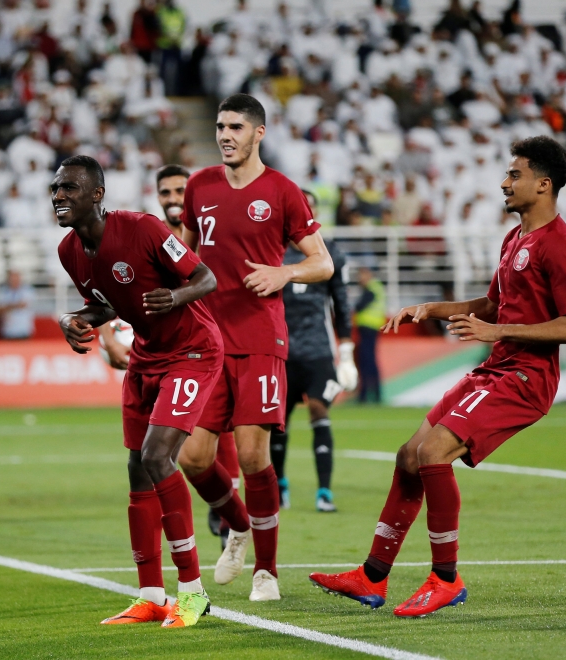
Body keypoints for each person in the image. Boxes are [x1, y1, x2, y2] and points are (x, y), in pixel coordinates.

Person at [309, 136, 566, 617]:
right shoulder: (515, 238)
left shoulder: (562, 245)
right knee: (408, 457)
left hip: (526, 377)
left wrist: (494, 330)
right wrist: (433, 309)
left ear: (544, 185)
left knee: (433, 453)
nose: (505, 183)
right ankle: (371, 577)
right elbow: (490, 304)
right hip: (495, 368)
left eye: (515, 174)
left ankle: (446, 578)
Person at [176, 93, 334, 601]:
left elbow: (323, 263)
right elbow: (184, 251)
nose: (225, 135)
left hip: (262, 340)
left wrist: (284, 271)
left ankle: (266, 570)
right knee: (194, 459)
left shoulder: (284, 192)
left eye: (236, 127)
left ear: (259, 133)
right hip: (208, 341)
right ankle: (238, 526)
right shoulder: (199, 186)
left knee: (250, 456)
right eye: (220, 126)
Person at [53, 154, 222, 628]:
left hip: (193, 350)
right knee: (136, 468)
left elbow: (204, 278)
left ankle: (192, 592)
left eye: (69, 188)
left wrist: (176, 297)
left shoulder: (144, 229)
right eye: (56, 189)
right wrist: (74, 321)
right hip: (147, 357)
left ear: (97, 196)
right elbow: (104, 305)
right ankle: (151, 594)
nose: (59, 196)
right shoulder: (69, 251)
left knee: (155, 457)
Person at [153, 163, 243, 548]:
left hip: (211, 341)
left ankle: (225, 514)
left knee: (217, 428)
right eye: (166, 193)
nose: (173, 199)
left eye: (179, 191)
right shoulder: (151, 235)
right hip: (165, 346)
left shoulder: (208, 234)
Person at [270, 189, 357, 513]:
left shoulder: (330, 252)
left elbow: (341, 305)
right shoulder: (273, 251)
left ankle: (324, 492)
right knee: (279, 422)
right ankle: (280, 488)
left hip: (318, 351)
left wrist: (346, 353)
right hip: (280, 352)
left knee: (320, 411)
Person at [354, 267, 385, 403]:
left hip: (368, 328)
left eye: (361, 275)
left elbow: (359, 306)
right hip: (370, 329)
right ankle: (374, 394)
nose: (359, 279)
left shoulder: (372, 289)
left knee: (367, 362)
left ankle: (365, 395)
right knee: (369, 362)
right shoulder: (376, 288)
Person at [0, 270, 36, 339]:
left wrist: (7, 306)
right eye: (12, 278)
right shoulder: (2, 292)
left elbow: (23, 304)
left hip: (24, 331)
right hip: (8, 332)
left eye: (16, 278)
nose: (14, 280)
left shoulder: (27, 291)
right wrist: (15, 305)